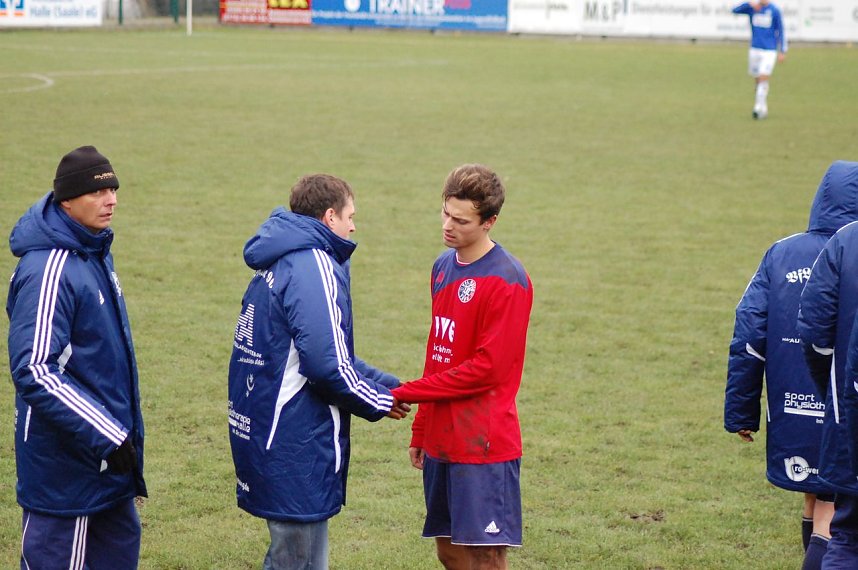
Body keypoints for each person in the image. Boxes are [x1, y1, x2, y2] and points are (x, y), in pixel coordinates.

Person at [227, 173, 409, 570]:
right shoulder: (314, 265)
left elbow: (320, 353)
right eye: (350, 216)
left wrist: (395, 386)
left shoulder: (282, 258)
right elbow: (325, 366)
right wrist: (379, 400)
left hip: (267, 432)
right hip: (295, 440)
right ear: (330, 217)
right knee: (297, 561)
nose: (353, 226)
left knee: (299, 557)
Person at [6, 146, 147, 569]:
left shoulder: (93, 251)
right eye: (98, 193)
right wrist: (109, 434)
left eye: (114, 191)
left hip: (109, 465)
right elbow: (34, 368)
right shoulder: (49, 267)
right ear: (66, 200)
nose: (112, 200)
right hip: (66, 472)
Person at [391, 164, 533, 570]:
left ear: (490, 222)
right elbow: (438, 349)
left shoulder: (508, 280)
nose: (448, 225)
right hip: (441, 437)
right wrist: (421, 426)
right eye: (445, 214)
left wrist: (406, 391)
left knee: (485, 556)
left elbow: (486, 370)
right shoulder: (442, 267)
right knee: (449, 552)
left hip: (483, 443)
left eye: (461, 220)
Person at [725, 161, 858, 569]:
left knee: (814, 497)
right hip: (842, 407)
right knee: (832, 513)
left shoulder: (782, 253)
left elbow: (748, 334)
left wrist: (741, 411)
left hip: (795, 407)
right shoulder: (850, 251)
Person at [797, 162, 858, 568]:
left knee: (847, 534)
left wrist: (833, 393)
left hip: (850, 408)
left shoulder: (846, 241)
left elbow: (816, 333)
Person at [732, 0, 787, 120]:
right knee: (758, 81)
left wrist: (782, 50)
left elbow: (780, 30)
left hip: (769, 50)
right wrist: (748, 4)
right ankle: (763, 107)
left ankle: (757, 107)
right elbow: (734, 10)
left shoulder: (774, 10)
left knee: (763, 76)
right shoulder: (753, 8)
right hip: (754, 49)